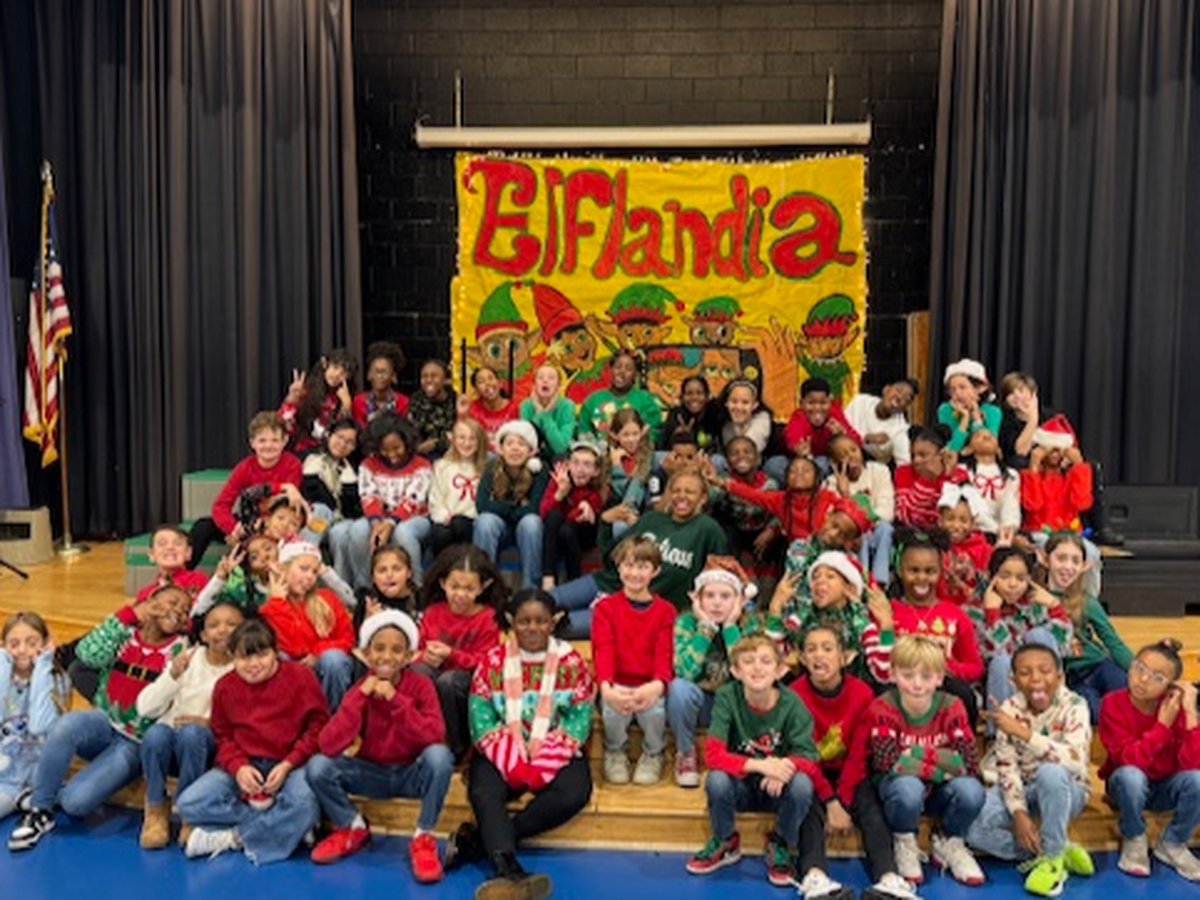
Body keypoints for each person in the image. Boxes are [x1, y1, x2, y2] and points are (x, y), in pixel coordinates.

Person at [8, 586, 191, 850]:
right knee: (66, 725)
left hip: (134, 743)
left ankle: (44, 788)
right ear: (151, 601)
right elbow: (87, 654)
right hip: (104, 724)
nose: (178, 611)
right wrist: (128, 614)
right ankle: (40, 809)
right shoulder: (125, 633)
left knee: (75, 802)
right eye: (172, 602)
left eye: (185, 610)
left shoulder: (181, 649)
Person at [447, 589, 594, 900]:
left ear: (553, 622)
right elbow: (481, 714)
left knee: (575, 792)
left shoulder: (571, 662)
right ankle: (508, 869)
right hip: (502, 744)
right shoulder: (493, 661)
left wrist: (547, 756)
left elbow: (578, 716)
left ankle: (476, 844)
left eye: (540, 621)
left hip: (554, 746)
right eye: (524, 621)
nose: (532, 628)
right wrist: (510, 757)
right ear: (511, 622)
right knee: (484, 792)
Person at [307, 610, 453, 882]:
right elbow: (328, 745)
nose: (387, 656)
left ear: (409, 657)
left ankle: (423, 837)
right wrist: (359, 699)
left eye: (397, 650)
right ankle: (352, 826)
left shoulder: (422, 685)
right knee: (317, 766)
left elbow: (434, 735)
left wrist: (395, 700)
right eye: (379, 648)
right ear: (366, 654)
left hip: (410, 773)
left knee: (440, 757)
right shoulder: (359, 690)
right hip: (370, 773)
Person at [175, 619, 328, 864]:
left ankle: (233, 838)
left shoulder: (301, 677)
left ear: (275, 652)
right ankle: (286, 826)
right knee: (188, 804)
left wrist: (289, 763)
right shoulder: (225, 687)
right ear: (233, 657)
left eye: (262, 654)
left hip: (292, 765)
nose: (254, 664)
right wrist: (239, 768)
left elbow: (317, 728)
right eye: (244, 657)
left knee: (304, 803)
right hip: (246, 764)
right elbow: (222, 737)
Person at [841, 635, 986, 886]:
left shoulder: (952, 706)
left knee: (972, 791)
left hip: (937, 791)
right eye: (908, 676)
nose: (917, 685)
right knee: (908, 786)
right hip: (898, 793)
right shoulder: (883, 708)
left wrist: (912, 754)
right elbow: (886, 762)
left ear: (939, 678)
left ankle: (949, 840)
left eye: (926, 677)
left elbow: (969, 762)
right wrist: (943, 764)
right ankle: (904, 839)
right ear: (893, 674)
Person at [790, 625, 921, 900]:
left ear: (845, 657)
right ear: (801, 658)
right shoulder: (794, 695)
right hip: (812, 772)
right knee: (807, 801)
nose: (819, 655)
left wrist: (843, 798)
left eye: (827, 648)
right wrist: (830, 801)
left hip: (852, 772)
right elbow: (803, 755)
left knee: (870, 805)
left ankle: (888, 878)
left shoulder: (862, 693)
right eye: (811, 649)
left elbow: (859, 753)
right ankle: (814, 876)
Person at [685, 634, 822, 887]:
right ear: (735, 671)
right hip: (742, 786)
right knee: (716, 780)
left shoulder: (793, 704)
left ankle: (780, 842)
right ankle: (725, 840)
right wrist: (762, 765)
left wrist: (783, 768)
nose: (757, 667)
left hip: (777, 790)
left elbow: (810, 757)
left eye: (765, 661)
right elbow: (713, 755)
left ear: (780, 670)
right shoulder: (727, 696)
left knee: (802, 784)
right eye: (748, 661)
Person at [966, 644, 1095, 897]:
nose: (1036, 678)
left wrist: (1024, 734)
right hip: (1025, 789)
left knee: (1051, 773)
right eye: (1025, 673)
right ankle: (1054, 848)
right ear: (1013, 681)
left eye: (1044, 671)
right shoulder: (1009, 709)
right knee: (973, 830)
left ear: (1060, 677)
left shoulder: (1076, 705)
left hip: (1067, 790)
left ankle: (1052, 861)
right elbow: (1007, 767)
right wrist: (1019, 813)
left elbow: (1074, 760)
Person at [552, 470, 728, 636]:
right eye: (676, 491)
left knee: (561, 626)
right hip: (607, 583)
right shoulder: (652, 519)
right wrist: (605, 523)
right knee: (543, 602)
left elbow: (721, 577)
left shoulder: (708, 529)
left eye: (689, 492)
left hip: (636, 608)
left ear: (703, 498)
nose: (681, 496)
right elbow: (613, 558)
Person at [135, 600, 244, 849]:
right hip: (171, 739)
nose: (223, 630)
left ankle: (188, 811)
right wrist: (172, 675)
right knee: (155, 734)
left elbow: (245, 722)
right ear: (203, 634)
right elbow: (145, 708)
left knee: (192, 734)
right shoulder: (188, 658)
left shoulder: (243, 667)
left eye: (232, 624)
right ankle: (155, 808)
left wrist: (210, 724)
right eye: (214, 625)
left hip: (206, 744)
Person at [669, 558, 778, 788]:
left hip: (735, 705)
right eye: (709, 596)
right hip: (703, 703)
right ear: (697, 599)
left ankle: (740, 751)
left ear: (739, 600)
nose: (717, 603)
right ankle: (686, 753)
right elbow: (684, 672)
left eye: (726, 596)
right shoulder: (685, 622)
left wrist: (730, 628)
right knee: (678, 688)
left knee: (756, 686)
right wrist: (705, 629)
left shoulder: (749, 624)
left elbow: (750, 674)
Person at [1099, 638, 1200, 881]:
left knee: (1198, 779)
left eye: (1157, 677)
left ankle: (1173, 842)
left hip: (1163, 786)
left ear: (1169, 686)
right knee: (1131, 776)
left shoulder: (1175, 708)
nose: (1143, 679)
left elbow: (1191, 764)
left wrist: (1190, 714)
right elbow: (1128, 759)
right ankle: (1134, 836)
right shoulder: (1112, 703)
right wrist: (1162, 727)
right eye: (1140, 668)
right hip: (1125, 786)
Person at [873, 530, 984, 728]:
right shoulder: (887, 611)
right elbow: (878, 663)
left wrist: (947, 668)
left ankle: (963, 744)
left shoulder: (955, 614)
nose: (921, 578)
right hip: (901, 686)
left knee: (964, 694)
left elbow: (975, 667)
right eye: (913, 570)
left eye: (930, 571)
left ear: (941, 571)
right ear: (900, 570)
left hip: (942, 686)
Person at [592, 536, 676, 785]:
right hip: (616, 682)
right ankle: (615, 750)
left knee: (654, 711)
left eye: (643, 567)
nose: (635, 573)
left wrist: (657, 685)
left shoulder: (665, 611)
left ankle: (653, 752)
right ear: (618, 567)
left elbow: (664, 654)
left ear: (655, 571)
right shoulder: (605, 608)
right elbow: (603, 649)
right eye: (629, 565)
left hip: (649, 683)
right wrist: (606, 686)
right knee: (613, 710)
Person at [413, 545, 506, 760]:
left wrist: (451, 654)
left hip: (468, 683)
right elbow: (416, 650)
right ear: (443, 583)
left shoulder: (488, 618)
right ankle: (420, 740)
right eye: (454, 587)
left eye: (469, 589)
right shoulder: (433, 612)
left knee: (449, 681)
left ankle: (457, 748)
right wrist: (425, 656)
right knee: (418, 672)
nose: (461, 595)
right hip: (436, 672)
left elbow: (486, 662)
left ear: (483, 587)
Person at [186, 411, 304, 568]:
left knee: (257, 544)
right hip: (250, 520)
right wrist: (233, 529)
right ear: (252, 443)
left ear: (285, 441)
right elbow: (220, 505)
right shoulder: (244, 467)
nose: (268, 446)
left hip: (278, 523)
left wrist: (256, 530)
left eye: (275, 440)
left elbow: (284, 505)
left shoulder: (292, 464)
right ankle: (182, 574)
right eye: (262, 440)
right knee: (203, 526)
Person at [968, 547, 1073, 716]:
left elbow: (1062, 648)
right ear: (989, 576)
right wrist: (992, 615)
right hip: (998, 685)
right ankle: (1001, 730)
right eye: (1004, 577)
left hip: (1035, 683)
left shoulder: (1034, 606)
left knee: (1038, 635)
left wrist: (1055, 607)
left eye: (1021, 578)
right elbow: (996, 654)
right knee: (1002, 662)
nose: (1013, 584)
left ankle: (1055, 712)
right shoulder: (973, 611)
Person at [259, 540, 356, 710]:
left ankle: (333, 719)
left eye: (314, 571)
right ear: (284, 569)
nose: (310, 576)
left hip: (325, 669)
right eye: (304, 569)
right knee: (282, 659)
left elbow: (348, 639)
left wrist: (317, 653)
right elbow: (292, 648)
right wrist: (278, 603)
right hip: (294, 669)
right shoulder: (271, 608)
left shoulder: (327, 598)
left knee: (333, 659)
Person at [1047, 533, 1131, 722]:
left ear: (1084, 566)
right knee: (1092, 712)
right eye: (1061, 558)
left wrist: (1139, 673)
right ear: (1045, 559)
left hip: (1098, 665)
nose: (1068, 566)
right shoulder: (1037, 599)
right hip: (1071, 677)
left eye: (1075, 561)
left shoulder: (1087, 602)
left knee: (1127, 694)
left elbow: (1113, 642)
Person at [345, 413, 433, 587]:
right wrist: (376, 523)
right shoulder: (368, 465)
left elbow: (413, 500)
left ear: (407, 443)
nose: (392, 454)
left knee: (402, 532)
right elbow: (369, 496)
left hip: (415, 518)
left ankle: (414, 586)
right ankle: (365, 587)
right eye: (385, 450)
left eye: (396, 448)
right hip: (378, 517)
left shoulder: (422, 465)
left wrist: (391, 522)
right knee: (358, 530)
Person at [0, 613, 69, 822]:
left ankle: (31, 798)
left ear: (45, 645)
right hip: (5, 775)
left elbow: (39, 725)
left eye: (31, 643)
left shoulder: (58, 680)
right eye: (14, 644)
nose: (22, 650)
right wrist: (3, 665)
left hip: (37, 777)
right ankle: (24, 800)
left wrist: (43, 666)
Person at [473, 420, 550, 590]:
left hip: (526, 529)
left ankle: (530, 588)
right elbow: (482, 505)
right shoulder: (492, 467)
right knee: (485, 521)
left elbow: (536, 508)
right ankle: (484, 584)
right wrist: (516, 506)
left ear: (531, 450)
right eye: (509, 443)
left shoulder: (539, 470)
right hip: (501, 528)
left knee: (531, 522)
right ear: (501, 449)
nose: (515, 448)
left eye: (521, 444)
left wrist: (500, 506)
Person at [826, 433, 894, 586]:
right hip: (853, 538)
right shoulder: (831, 483)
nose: (851, 456)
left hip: (877, 530)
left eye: (853, 450)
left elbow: (887, 512)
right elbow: (836, 520)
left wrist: (865, 523)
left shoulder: (880, 471)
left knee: (886, 528)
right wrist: (845, 493)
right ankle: (861, 581)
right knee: (857, 533)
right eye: (843, 455)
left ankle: (879, 582)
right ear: (834, 462)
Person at [541, 440, 605, 588]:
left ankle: (574, 582)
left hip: (584, 533)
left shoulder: (597, 490)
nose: (580, 469)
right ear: (568, 465)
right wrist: (560, 494)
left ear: (596, 471)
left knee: (567, 530)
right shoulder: (558, 481)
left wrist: (580, 508)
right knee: (554, 516)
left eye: (587, 465)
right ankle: (548, 577)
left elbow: (578, 518)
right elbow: (544, 514)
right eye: (575, 463)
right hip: (558, 533)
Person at [778, 376, 862, 482]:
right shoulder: (798, 416)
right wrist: (798, 448)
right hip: (800, 464)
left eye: (823, 403)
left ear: (830, 402)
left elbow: (858, 442)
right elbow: (791, 435)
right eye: (811, 403)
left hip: (823, 463)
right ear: (801, 403)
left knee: (823, 463)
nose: (817, 408)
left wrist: (843, 434)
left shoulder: (835, 415)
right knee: (774, 464)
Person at [300, 417, 361, 560]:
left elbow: (352, 510)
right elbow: (313, 494)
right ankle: (304, 557)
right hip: (312, 516)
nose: (342, 444)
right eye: (340, 437)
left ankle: (340, 574)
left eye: (350, 442)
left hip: (340, 520)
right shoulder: (311, 458)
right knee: (320, 509)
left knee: (340, 532)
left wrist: (348, 483)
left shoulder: (353, 470)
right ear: (328, 434)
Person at [279, 348, 358, 455]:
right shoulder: (306, 391)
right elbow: (284, 426)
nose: (337, 375)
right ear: (325, 364)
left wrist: (346, 406)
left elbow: (345, 434)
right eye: (335, 367)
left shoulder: (347, 398)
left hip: (334, 452)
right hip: (305, 450)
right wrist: (291, 399)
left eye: (343, 373)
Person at [428, 417, 487, 555]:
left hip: (471, 520)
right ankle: (443, 567)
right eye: (462, 438)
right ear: (453, 439)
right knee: (441, 534)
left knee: (459, 523)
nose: (467, 443)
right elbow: (436, 498)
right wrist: (444, 516)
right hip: (446, 519)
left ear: (479, 442)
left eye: (472, 439)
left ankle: (464, 564)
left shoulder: (486, 468)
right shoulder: (442, 466)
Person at [577, 350, 664, 444]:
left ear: (635, 375)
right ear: (611, 370)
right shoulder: (593, 400)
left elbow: (653, 434)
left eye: (628, 369)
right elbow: (583, 434)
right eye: (617, 367)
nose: (622, 372)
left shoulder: (645, 400)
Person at [955, 428, 1020, 546]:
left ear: (999, 448)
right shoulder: (963, 471)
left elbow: (1011, 504)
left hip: (1003, 532)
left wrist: (1009, 527)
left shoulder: (1012, 475)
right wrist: (995, 529)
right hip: (974, 528)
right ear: (968, 449)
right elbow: (972, 504)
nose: (987, 437)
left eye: (991, 435)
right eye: (978, 436)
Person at [936, 483, 993, 605]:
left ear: (972, 523)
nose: (956, 526)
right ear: (940, 520)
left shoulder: (984, 550)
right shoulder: (934, 547)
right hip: (939, 606)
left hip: (972, 607)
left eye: (964, 520)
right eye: (950, 519)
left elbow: (986, 585)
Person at [601, 408, 652, 540]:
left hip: (640, 510)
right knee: (618, 525)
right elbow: (617, 493)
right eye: (626, 435)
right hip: (614, 510)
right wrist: (616, 464)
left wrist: (627, 511)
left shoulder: (647, 456)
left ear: (642, 432)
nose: (631, 440)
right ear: (615, 435)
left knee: (622, 526)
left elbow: (637, 486)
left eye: (635, 434)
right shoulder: (608, 457)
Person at [844, 378, 919, 466]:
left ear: (904, 409)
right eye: (898, 390)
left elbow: (904, 463)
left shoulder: (900, 429)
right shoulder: (860, 402)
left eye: (906, 399)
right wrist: (866, 438)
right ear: (886, 390)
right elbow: (841, 427)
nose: (899, 398)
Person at [893, 425, 954, 529]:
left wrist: (946, 477)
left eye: (923, 455)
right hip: (912, 533)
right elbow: (904, 517)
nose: (916, 460)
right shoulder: (903, 472)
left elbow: (953, 519)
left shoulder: (958, 474)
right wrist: (926, 480)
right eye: (913, 455)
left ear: (941, 454)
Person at [937, 359, 1002, 454]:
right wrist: (965, 418)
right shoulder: (945, 409)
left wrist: (976, 418)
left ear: (980, 388)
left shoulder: (993, 411)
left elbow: (985, 448)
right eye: (952, 389)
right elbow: (952, 449)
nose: (957, 393)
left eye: (962, 387)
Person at [352, 545, 420, 633]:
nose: (389, 575)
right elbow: (355, 638)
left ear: (409, 573)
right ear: (373, 578)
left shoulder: (422, 599)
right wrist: (368, 621)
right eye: (382, 570)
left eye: (397, 569)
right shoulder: (366, 602)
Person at [519, 364, 576, 460]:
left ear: (558, 386)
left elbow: (560, 447)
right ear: (534, 385)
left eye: (551, 378)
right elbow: (526, 441)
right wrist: (539, 414)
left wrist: (545, 415)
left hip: (558, 457)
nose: (545, 381)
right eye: (540, 378)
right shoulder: (526, 405)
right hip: (532, 456)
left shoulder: (567, 406)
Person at [658, 375, 722, 453]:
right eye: (689, 393)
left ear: (707, 396)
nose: (694, 397)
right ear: (682, 397)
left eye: (699, 393)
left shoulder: (715, 414)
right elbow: (662, 447)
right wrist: (679, 437)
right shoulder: (676, 416)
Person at [409, 359, 458, 459]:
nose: (428, 380)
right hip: (422, 454)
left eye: (434, 376)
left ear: (445, 380)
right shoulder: (416, 400)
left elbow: (457, 433)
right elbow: (413, 430)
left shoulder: (455, 400)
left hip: (451, 452)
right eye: (424, 376)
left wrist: (436, 443)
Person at [352, 340, 408, 427]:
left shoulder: (403, 403)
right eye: (376, 371)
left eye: (384, 372)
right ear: (369, 375)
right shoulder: (358, 402)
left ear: (393, 376)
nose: (379, 376)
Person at [465, 366, 520, 453]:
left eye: (490, 378)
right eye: (481, 381)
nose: (487, 383)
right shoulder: (472, 408)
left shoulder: (514, 408)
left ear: (500, 383)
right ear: (477, 391)